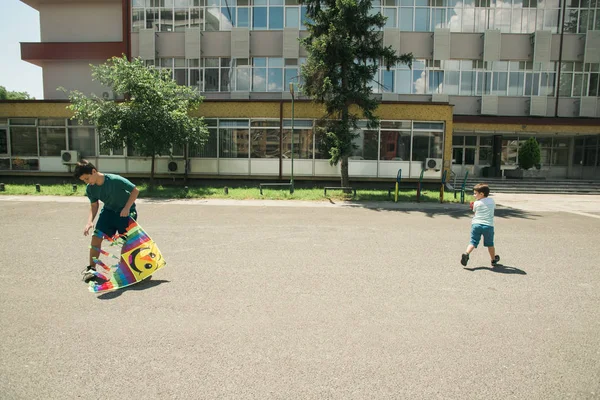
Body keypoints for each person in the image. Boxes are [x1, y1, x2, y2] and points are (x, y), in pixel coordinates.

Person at [73, 160, 139, 283]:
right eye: (84, 181)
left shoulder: (114, 180)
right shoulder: (90, 189)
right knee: (96, 237)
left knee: (126, 240)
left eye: (87, 178)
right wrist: (89, 222)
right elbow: (94, 205)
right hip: (109, 212)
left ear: (94, 171)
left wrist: (127, 208)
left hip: (126, 212)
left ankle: (124, 269)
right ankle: (91, 269)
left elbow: (135, 190)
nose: (87, 182)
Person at [461, 183, 500, 268]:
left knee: (473, 241)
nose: (474, 195)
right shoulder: (492, 201)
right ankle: (493, 260)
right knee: (490, 244)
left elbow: (475, 212)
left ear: (481, 194)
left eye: (475, 193)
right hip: (488, 226)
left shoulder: (476, 203)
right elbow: (492, 209)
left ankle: (466, 253)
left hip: (476, 224)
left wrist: (474, 205)